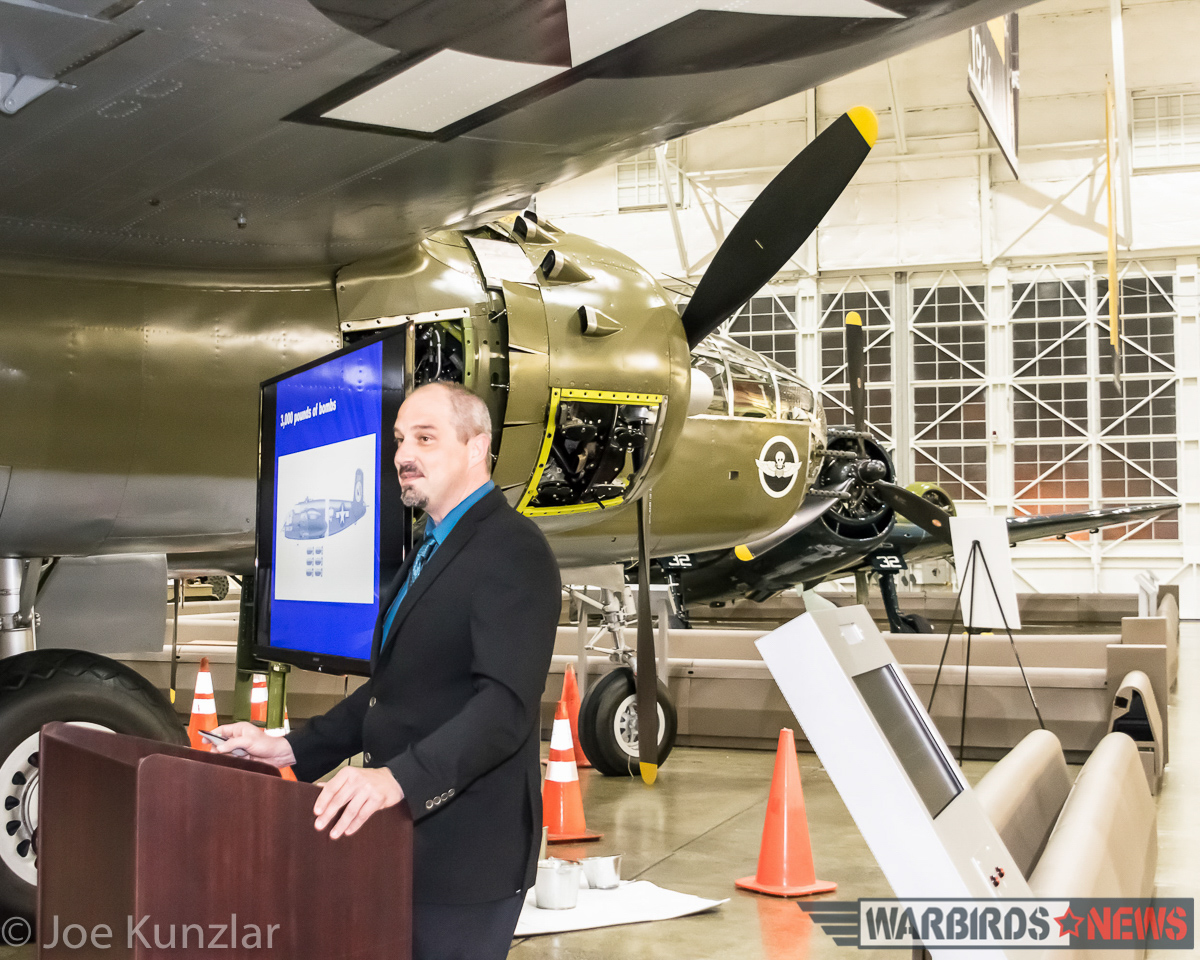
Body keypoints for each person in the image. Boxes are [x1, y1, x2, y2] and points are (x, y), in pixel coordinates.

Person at [213, 380, 561, 960]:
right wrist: (291, 749)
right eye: (401, 439)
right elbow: (396, 692)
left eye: (425, 438)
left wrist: (396, 779)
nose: (404, 455)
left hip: (466, 855)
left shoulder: (512, 549)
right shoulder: (431, 548)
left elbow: (505, 710)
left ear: (477, 448)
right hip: (404, 839)